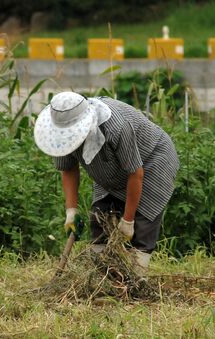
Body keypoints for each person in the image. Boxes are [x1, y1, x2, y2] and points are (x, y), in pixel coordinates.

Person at [34, 91, 179, 273]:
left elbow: (135, 173)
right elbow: (68, 169)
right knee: (99, 219)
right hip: (110, 168)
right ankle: (104, 279)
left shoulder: (116, 127)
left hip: (151, 161)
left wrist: (128, 220)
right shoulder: (60, 134)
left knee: (142, 226)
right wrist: (71, 211)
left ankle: (136, 281)